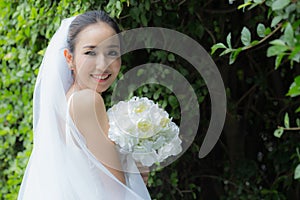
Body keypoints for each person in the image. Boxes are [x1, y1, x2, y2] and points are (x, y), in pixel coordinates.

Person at [18, 10, 151, 200]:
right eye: (91, 52)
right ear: (69, 58)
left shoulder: (64, 100)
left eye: (112, 52)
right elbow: (117, 190)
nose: (103, 64)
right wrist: (134, 173)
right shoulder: (87, 101)